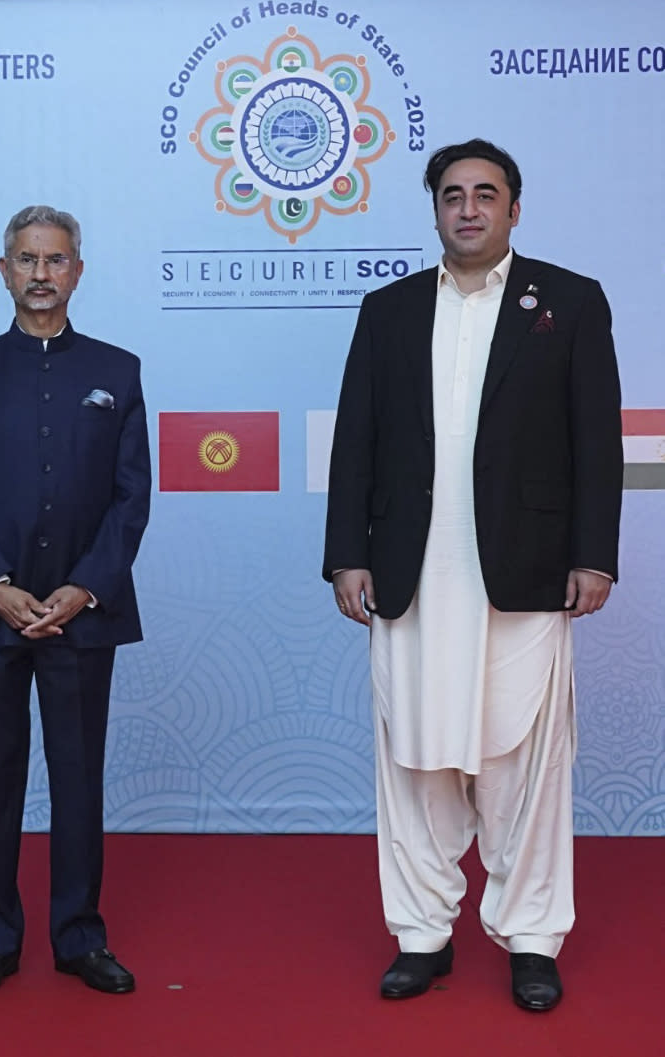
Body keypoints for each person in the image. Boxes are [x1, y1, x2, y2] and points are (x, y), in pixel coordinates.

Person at [323, 139, 622, 1011]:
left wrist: (593, 553)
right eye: (452, 194)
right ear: (436, 209)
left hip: (525, 573)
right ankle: (421, 934)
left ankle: (531, 936)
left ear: (514, 209)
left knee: (522, 761)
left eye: (485, 194)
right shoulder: (387, 309)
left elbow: (595, 444)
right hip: (411, 575)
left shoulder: (567, 302)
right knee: (413, 763)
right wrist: (348, 553)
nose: (468, 208)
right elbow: (356, 444)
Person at [0, 205, 151, 998]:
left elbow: (132, 499)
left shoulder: (117, 371)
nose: (41, 274)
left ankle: (79, 936)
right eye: (26, 259)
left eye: (56, 260)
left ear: (77, 272)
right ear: (4, 271)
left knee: (78, 778)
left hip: (81, 616)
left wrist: (82, 588)